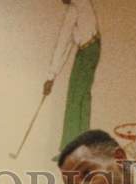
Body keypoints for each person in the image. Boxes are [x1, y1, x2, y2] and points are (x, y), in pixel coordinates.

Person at [44, 0, 101, 153]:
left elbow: (64, 42)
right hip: (93, 49)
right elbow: (68, 43)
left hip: (86, 52)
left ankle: (71, 149)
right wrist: (53, 75)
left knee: (75, 99)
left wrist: (51, 76)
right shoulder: (83, 4)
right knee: (83, 98)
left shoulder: (74, 10)